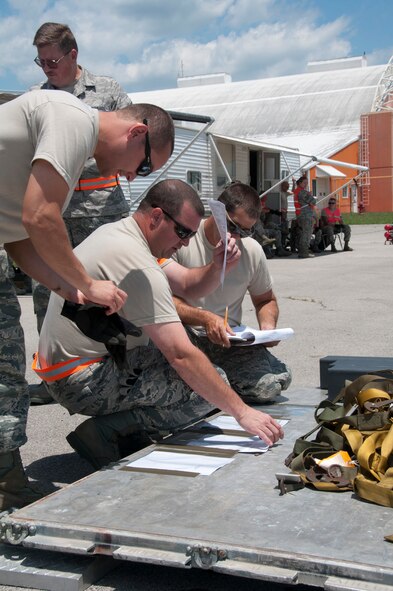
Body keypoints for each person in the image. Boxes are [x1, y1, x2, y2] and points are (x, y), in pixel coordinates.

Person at [0, 88, 174, 509]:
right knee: (5, 367)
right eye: (145, 164)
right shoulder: (71, 118)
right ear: (135, 133)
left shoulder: (69, 146)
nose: (135, 177)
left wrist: (70, 289)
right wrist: (90, 283)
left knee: (5, 362)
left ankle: (6, 482)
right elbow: (40, 216)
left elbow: (20, 239)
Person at [35, 179, 283, 470]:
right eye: (182, 232)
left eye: (190, 234)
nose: (186, 242)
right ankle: (110, 432)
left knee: (203, 371)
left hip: (80, 362)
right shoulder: (138, 263)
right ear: (155, 216)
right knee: (204, 389)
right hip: (82, 378)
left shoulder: (123, 233)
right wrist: (243, 413)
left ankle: (127, 425)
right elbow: (180, 355)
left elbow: (189, 285)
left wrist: (218, 267)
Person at [30, 22, 133, 405]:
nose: (46, 69)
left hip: (102, 210)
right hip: (54, 212)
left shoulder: (107, 91)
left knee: (111, 288)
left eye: (52, 60)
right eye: (40, 62)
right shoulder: (37, 98)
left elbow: (127, 139)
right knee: (49, 293)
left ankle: (114, 362)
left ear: (73, 54)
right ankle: (50, 378)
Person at [167, 181, 292, 404]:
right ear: (217, 213)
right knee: (211, 389)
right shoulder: (184, 239)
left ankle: (218, 386)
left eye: (246, 231)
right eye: (233, 227)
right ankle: (215, 388)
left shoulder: (251, 250)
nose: (236, 237)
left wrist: (268, 328)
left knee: (275, 382)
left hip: (230, 342)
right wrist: (204, 318)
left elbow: (265, 300)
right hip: (187, 339)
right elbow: (164, 301)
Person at [293, 176, 317, 258]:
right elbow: (313, 201)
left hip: (300, 215)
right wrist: (310, 195)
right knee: (306, 233)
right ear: (299, 183)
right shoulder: (303, 192)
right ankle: (304, 252)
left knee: (304, 233)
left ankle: (303, 251)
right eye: (304, 183)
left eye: (307, 183)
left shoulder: (296, 191)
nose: (306, 184)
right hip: (305, 215)